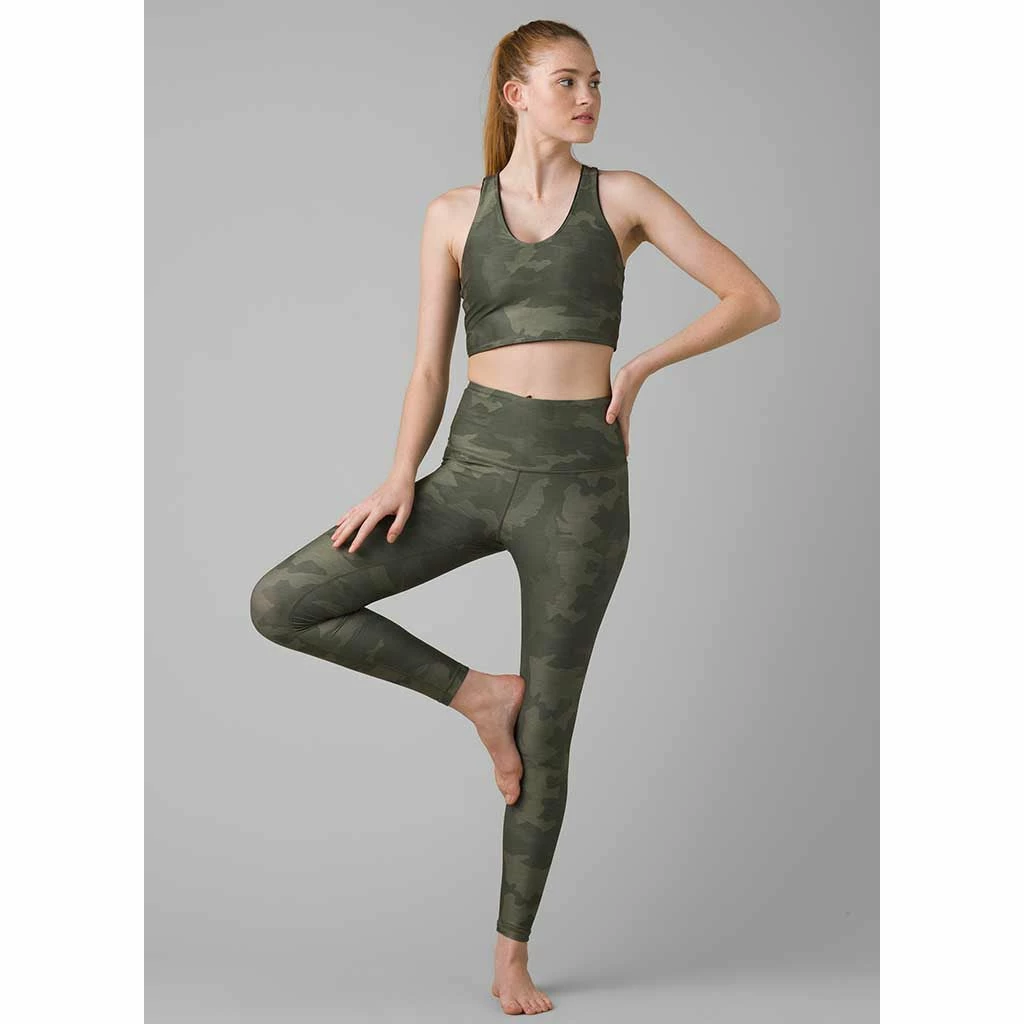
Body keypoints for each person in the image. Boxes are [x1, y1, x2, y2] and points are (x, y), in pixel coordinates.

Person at [250, 18, 780, 1017]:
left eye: (596, 82)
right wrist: (398, 477)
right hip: (474, 469)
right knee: (284, 600)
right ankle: (477, 697)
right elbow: (426, 368)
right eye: (567, 81)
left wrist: (639, 368)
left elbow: (750, 298)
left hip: (581, 487)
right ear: (515, 94)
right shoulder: (454, 213)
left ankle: (510, 956)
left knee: (553, 729)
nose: (588, 98)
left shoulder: (624, 198)